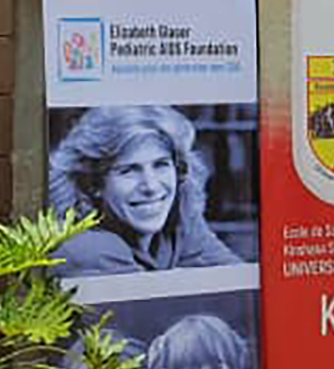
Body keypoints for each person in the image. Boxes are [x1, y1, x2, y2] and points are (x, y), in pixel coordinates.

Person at [48, 105, 241, 278]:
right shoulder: (89, 249)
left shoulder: (180, 220)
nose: (151, 186)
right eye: (128, 170)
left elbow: (237, 286)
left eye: (161, 165)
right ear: (94, 184)